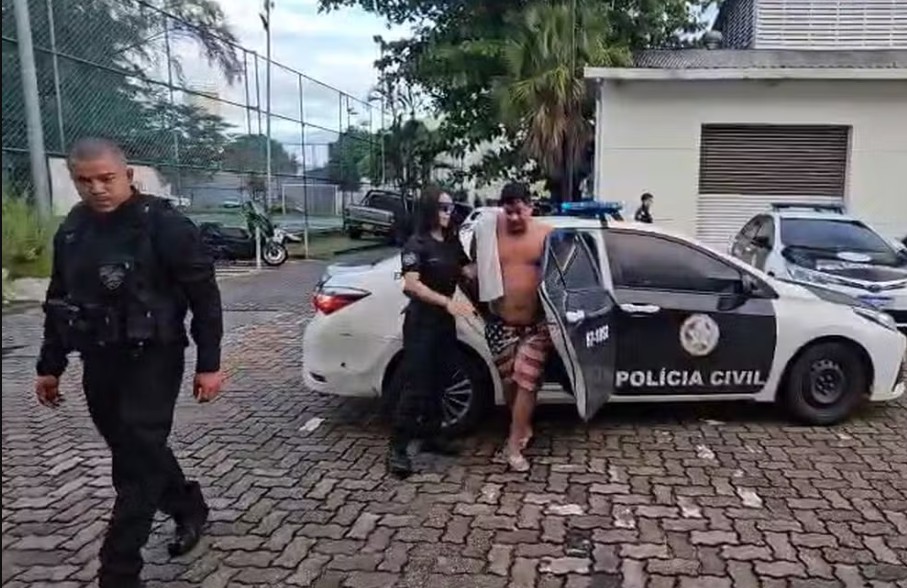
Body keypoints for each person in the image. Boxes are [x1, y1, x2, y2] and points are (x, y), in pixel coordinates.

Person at [34, 137, 224, 588]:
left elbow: (205, 298)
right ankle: (187, 505)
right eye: (85, 180)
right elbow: (58, 299)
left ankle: (118, 571)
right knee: (135, 449)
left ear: (128, 175)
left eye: (107, 178)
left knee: (135, 464)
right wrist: (50, 365)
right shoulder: (73, 229)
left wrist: (209, 363)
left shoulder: (164, 225)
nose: (97, 188)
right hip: (99, 360)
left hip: (154, 358)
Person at [387, 187, 477, 478]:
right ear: (429, 209)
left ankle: (432, 436)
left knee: (441, 381)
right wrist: (446, 302)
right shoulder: (417, 244)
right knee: (417, 386)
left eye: (451, 208)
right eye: (443, 207)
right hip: (421, 324)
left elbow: (468, 271)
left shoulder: (451, 243)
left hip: (443, 324)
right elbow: (411, 285)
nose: (448, 213)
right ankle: (397, 450)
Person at [480, 182, 553, 472]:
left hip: (536, 326)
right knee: (511, 384)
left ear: (530, 207)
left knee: (526, 378)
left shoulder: (546, 235)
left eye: (518, 211)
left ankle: (512, 446)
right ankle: (521, 425)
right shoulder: (489, 230)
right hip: (500, 324)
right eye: (507, 212)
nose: (512, 218)